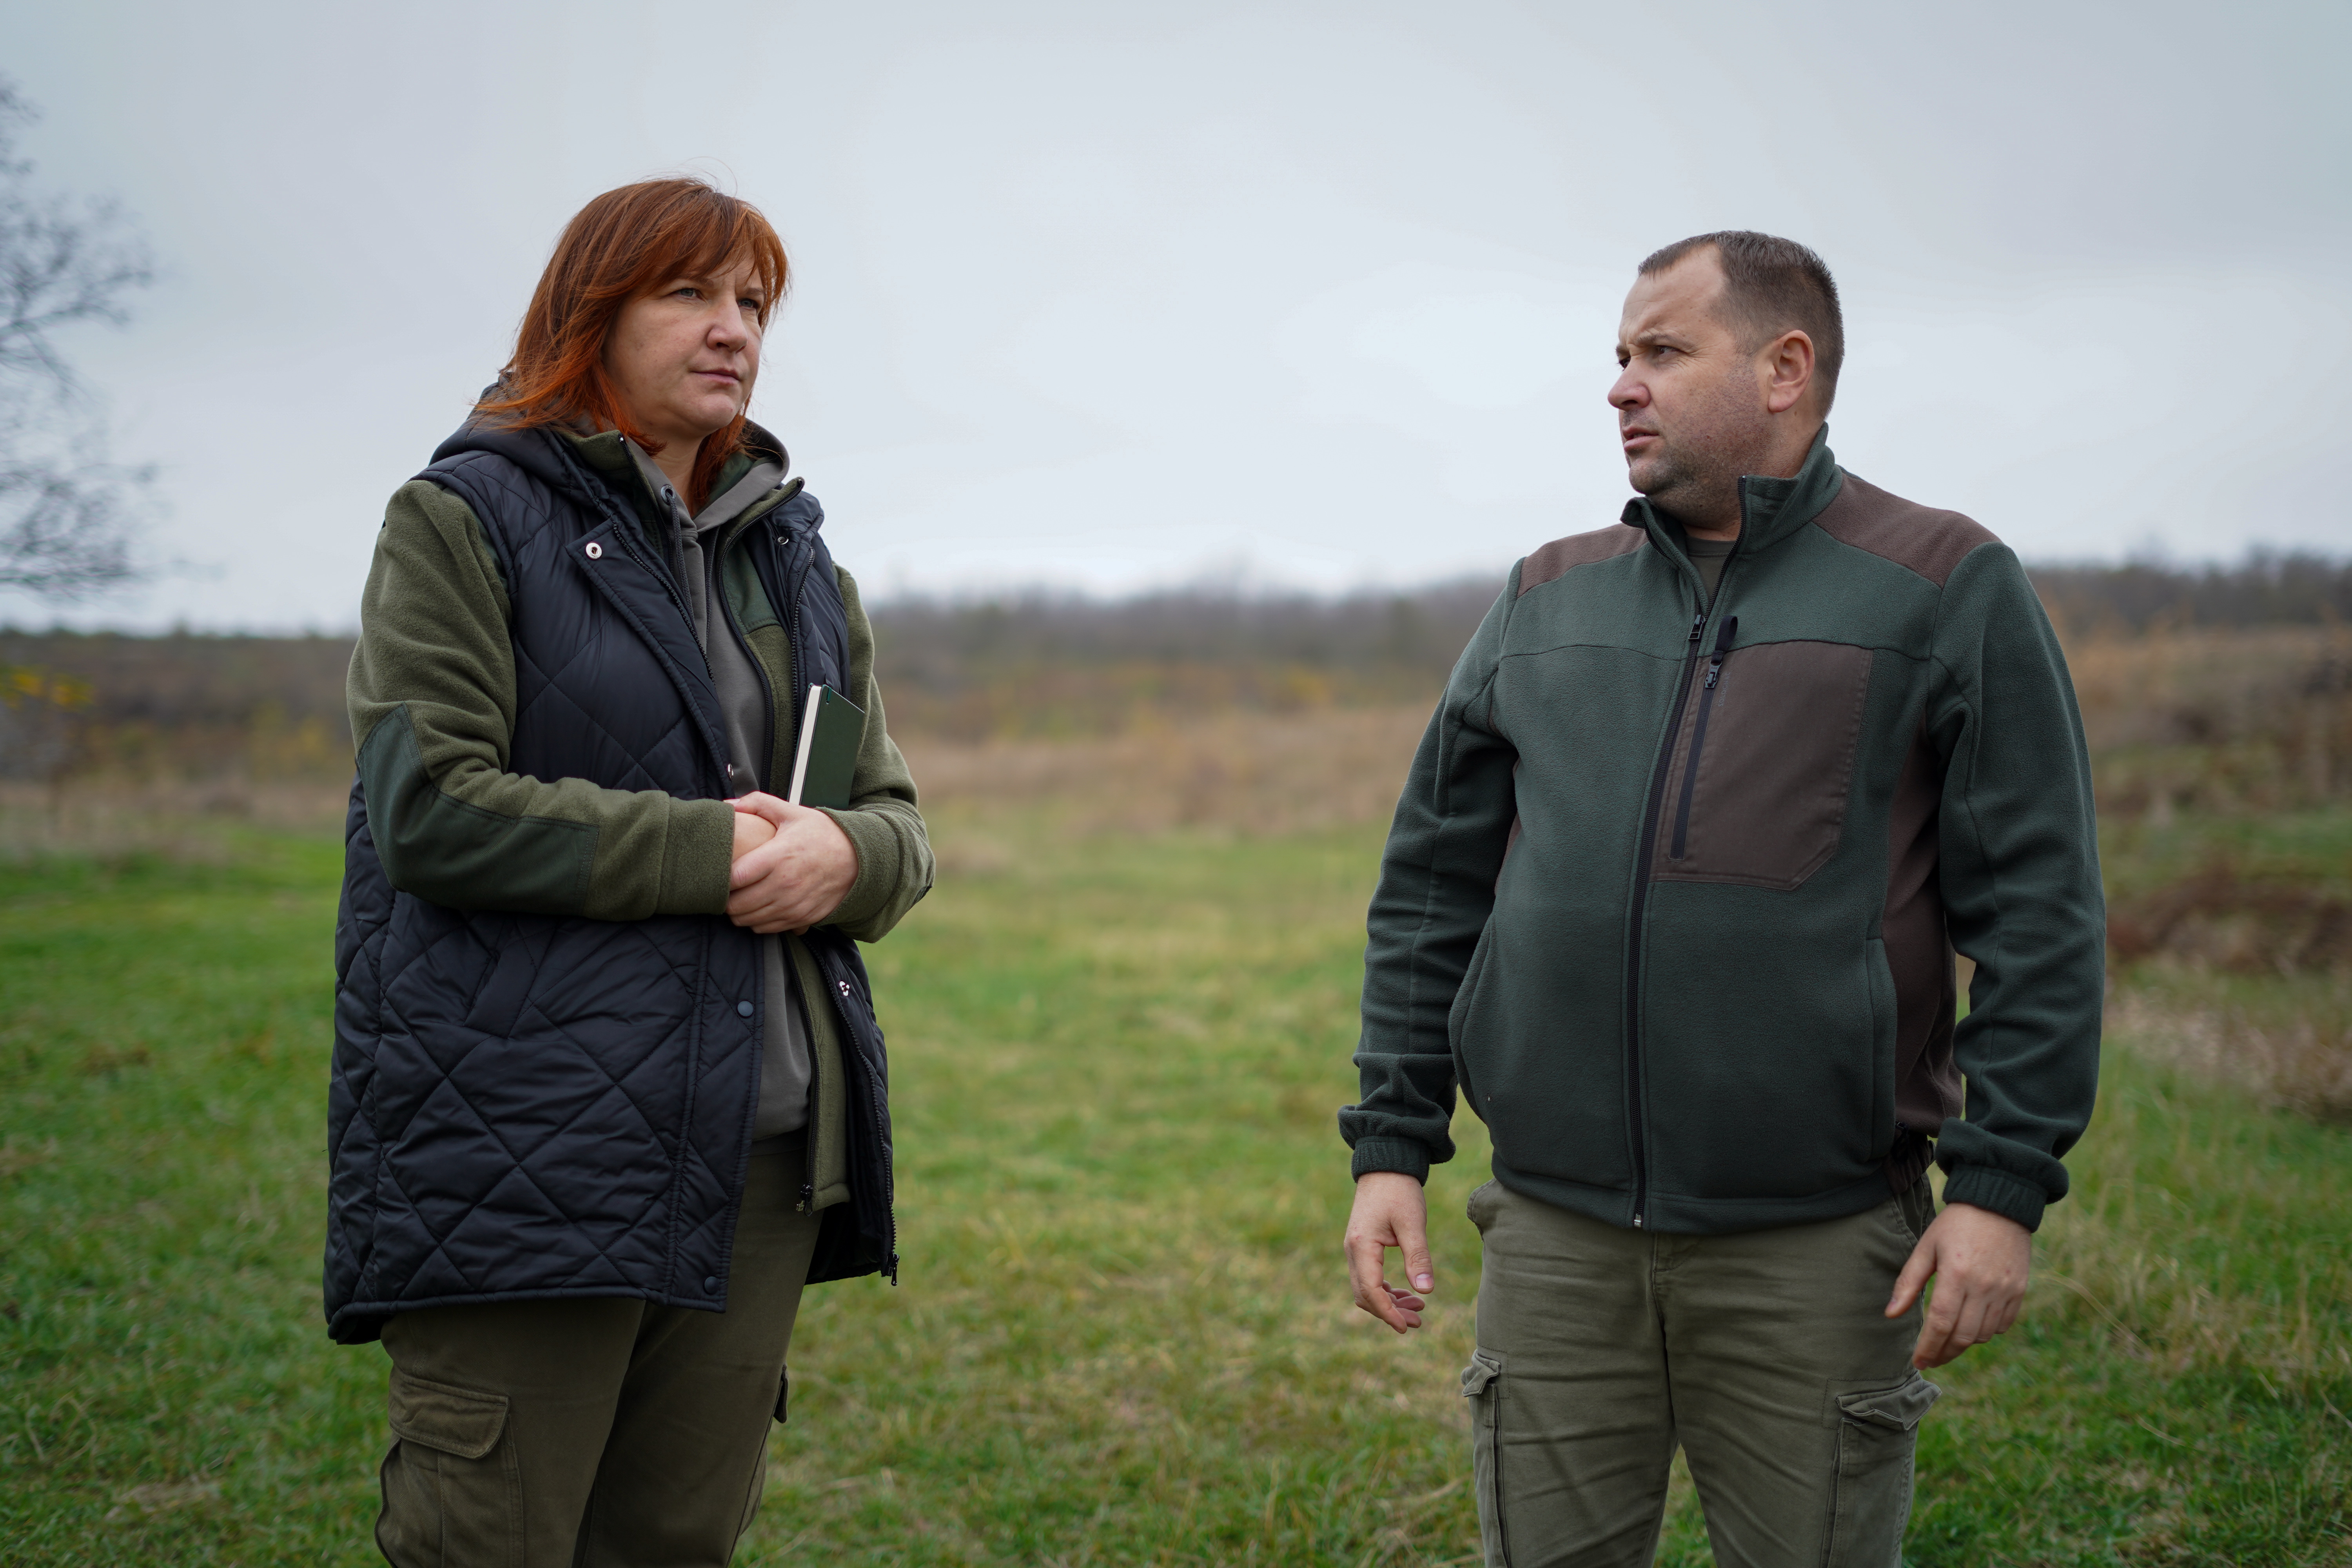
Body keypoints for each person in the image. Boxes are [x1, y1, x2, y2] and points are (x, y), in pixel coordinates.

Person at [1339, 231, 2102, 1566]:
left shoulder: (1941, 586)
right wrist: (1392, 1143)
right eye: (1619, 356)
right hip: (1556, 1243)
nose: (1621, 385)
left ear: (1784, 368)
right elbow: (1430, 887)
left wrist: (2000, 1184)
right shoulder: (1547, 596)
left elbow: (2038, 909)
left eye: (1662, 351)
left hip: (1815, 1247)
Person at [326, 177, 933, 1566]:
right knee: (489, 1544)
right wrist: (718, 852)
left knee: (673, 1544)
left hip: (765, 1153)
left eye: (755, 303)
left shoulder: (796, 557)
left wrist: (849, 856)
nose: (734, 330)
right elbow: (430, 809)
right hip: (532, 1149)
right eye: (690, 293)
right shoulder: (461, 518)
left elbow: (894, 818)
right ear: (590, 312)